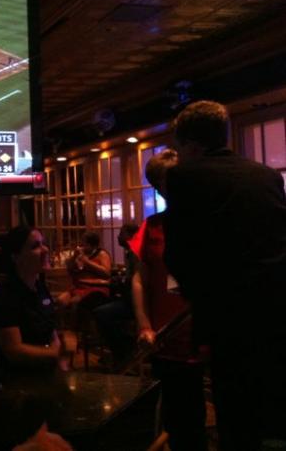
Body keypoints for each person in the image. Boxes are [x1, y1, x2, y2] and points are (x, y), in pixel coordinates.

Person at [163, 100, 286, 450]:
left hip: (226, 316)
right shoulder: (267, 175)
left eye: (179, 149)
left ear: (191, 145)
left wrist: (199, 295)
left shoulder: (184, 177)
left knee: (235, 412)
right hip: (277, 309)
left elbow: (179, 254)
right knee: (273, 407)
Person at [129, 149, 207, 451]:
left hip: (206, 331)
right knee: (178, 416)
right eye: (166, 181)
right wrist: (144, 325)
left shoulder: (206, 221)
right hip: (166, 336)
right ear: (158, 187)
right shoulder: (152, 226)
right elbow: (139, 279)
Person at [0, 226, 63, 382]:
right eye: (35, 246)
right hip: (20, 380)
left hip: (48, 373)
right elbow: (14, 351)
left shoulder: (41, 288)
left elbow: (51, 330)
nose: (45, 249)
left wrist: (57, 352)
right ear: (16, 257)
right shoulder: (5, 296)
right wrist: (53, 353)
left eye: (43, 243)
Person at [92, 223, 139, 369]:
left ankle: (124, 351)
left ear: (130, 236)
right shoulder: (129, 253)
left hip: (135, 303)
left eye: (121, 233)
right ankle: (122, 350)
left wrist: (119, 281)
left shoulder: (134, 253)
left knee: (101, 313)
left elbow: (134, 280)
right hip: (130, 299)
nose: (118, 236)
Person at [60, 231, 112, 311]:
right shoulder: (81, 255)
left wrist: (87, 261)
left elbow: (106, 273)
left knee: (74, 302)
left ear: (92, 245)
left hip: (96, 288)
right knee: (61, 301)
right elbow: (70, 270)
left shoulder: (102, 254)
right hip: (79, 286)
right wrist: (74, 257)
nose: (82, 246)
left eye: (84, 244)